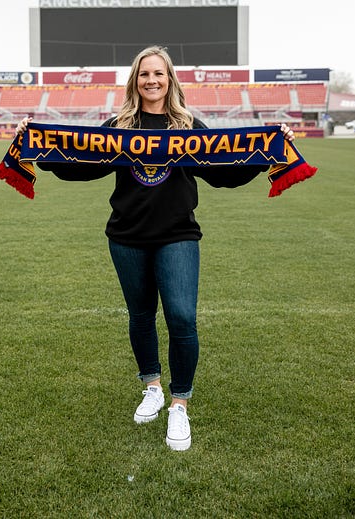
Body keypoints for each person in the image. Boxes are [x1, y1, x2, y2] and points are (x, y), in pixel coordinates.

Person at [15, 46, 295, 451]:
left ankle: (179, 404)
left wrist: (268, 149)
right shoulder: (118, 126)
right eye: (144, 74)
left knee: (181, 317)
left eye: (159, 74)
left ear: (170, 79)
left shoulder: (189, 126)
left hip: (178, 234)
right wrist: (36, 147)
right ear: (135, 80)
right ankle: (152, 386)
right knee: (141, 314)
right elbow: (81, 165)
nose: (151, 80)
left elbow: (224, 174)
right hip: (126, 235)